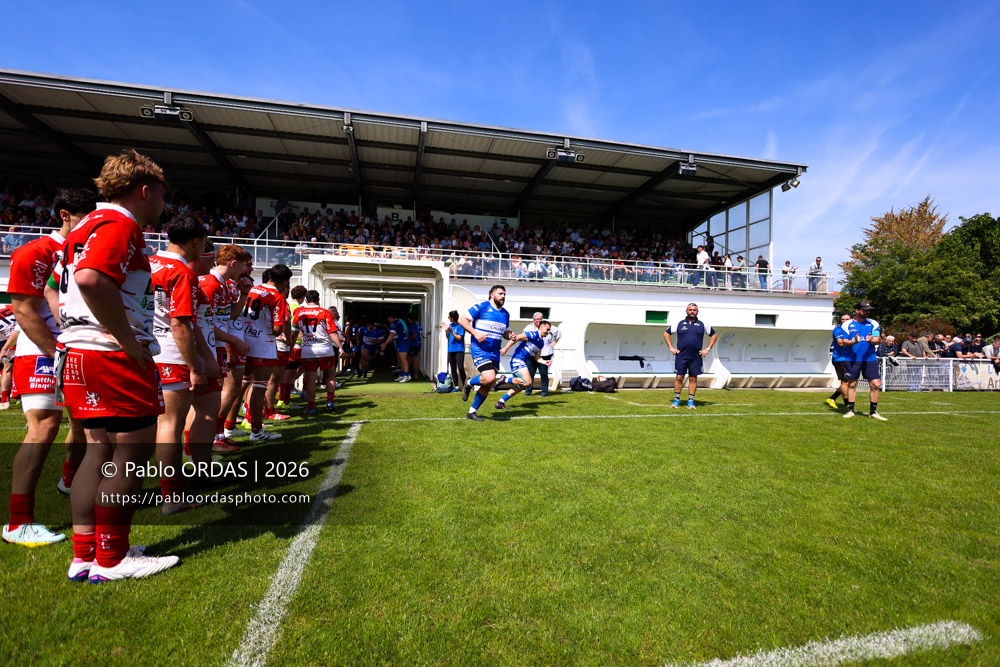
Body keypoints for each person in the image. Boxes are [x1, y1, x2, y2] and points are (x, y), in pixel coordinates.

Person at [54, 148, 178, 582]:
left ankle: (87, 553)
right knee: (130, 455)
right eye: (163, 195)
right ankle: (112, 558)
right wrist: (127, 340)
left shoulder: (83, 225)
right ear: (146, 191)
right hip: (110, 355)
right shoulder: (120, 223)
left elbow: (63, 285)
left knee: (98, 452)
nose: (165, 204)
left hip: (77, 352)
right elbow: (91, 279)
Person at [2, 188, 94, 548]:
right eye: (85, 219)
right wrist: (55, 350)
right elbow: (23, 310)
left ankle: (69, 479)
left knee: (86, 423)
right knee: (44, 427)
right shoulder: (35, 252)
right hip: (41, 351)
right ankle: (18, 521)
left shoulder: (86, 251)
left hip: (80, 349)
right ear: (65, 215)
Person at [150, 215, 213, 514]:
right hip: (170, 355)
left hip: (142, 351)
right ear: (195, 242)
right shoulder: (182, 271)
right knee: (169, 425)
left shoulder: (146, 263)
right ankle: (171, 496)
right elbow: (180, 324)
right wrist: (196, 367)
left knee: (136, 428)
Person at [241, 264, 292, 441]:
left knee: (238, 387)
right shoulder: (277, 297)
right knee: (259, 387)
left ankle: (227, 427)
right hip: (263, 344)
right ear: (284, 281)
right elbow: (278, 329)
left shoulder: (253, 289)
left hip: (243, 340)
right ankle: (256, 431)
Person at [459, 285, 513, 422]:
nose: (503, 296)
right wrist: (475, 333)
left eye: (505, 294)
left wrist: (509, 335)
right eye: (500, 293)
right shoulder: (481, 307)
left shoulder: (505, 314)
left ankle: (472, 412)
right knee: (489, 378)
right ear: (492, 294)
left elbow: (505, 333)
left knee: (487, 384)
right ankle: (469, 382)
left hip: (494, 352)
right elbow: (462, 320)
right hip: (480, 349)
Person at [291, 290, 341, 413]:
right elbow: (332, 332)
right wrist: (340, 347)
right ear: (318, 300)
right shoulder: (325, 313)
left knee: (310, 379)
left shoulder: (299, 312)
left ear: (306, 300)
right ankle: (330, 402)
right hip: (325, 349)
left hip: (308, 350)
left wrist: (290, 347)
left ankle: (311, 407)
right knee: (330, 376)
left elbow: (294, 332)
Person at [664, 303, 717, 409]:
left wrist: (707, 349)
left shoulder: (703, 324)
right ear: (686, 311)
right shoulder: (679, 323)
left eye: (694, 310)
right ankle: (676, 400)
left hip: (696, 357)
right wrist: (671, 347)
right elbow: (666, 333)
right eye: (690, 310)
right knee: (679, 377)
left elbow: (714, 335)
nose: (692, 311)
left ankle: (690, 401)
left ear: (697, 312)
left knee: (693, 378)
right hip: (681, 356)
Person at [840, 301, 887, 420]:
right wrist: (854, 342)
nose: (868, 312)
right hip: (853, 358)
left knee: (875, 384)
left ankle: (873, 412)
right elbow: (843, 342)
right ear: (857, 310)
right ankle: (851, 410)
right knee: (852, 384)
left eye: (869, 310)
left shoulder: (873, 323)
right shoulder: (847, 325)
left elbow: (877, 339)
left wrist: (870, 340)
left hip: (870, 359)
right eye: (865, 309)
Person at [495, 321, 552, 410]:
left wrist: (545, 362)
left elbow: (537, 358)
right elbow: (516, 338)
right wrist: (506, 348)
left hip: (521, 361)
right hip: (517, 359)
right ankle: (505, 379)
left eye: (549, 330)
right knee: (528, 382)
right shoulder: (533, 335)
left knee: (520, 386)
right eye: (547, 329)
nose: (548, 332)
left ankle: (500, 402)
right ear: (541, 327)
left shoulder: (541, 343)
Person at [826, 313, 854, 409]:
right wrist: (856, 341)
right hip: (840, 359)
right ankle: (847, 404)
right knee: (845, 382)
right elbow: (841, 343)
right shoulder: (838, 330)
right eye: (842, 319)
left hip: (849, 358)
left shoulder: (853, 330)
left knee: (849, 382)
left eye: (847, 319)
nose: (844, 321)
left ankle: (832, 398)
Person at [443, 311, 466, 391]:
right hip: (451, 349)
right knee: (453, 368)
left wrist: (451, 331)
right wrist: (446, 331)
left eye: (449, 317)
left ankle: (464, 385)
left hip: (459, 349)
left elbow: (459, 338)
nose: (448, 318)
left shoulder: (460, 326)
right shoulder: (450, 325)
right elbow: (448, 338)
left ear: (452, 318)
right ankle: (456, 386)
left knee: (460, 368)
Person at [384, 314, 410, 382]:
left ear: (390, 317)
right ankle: (402, 374)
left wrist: (385, 344)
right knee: (401, 359)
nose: (388, 320)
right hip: (401, 342)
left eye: (388, 318)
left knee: (403, 359)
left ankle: (407, 375)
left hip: (402, 342)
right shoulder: (400, 321)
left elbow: (391, 334)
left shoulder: (394, 324)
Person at [406, 313, 423, 381]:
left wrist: (408, 340)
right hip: (417, 344)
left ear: (409, 319)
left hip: (414, 345)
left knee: (414, 360)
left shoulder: (414, 325)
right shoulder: (418, 325)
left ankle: (415, 375)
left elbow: (414, 335)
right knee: (412, 359)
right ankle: (410, 374)